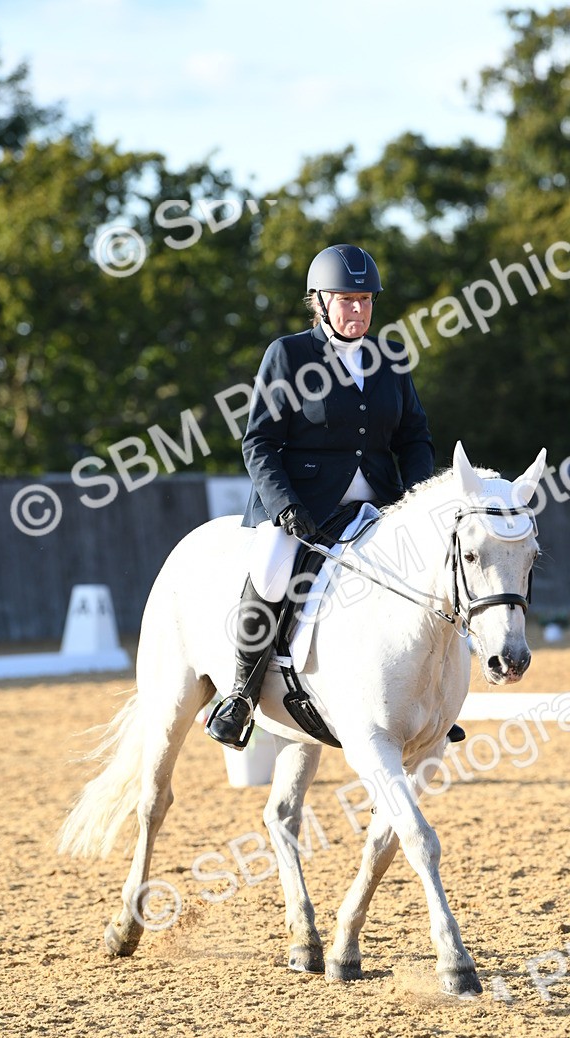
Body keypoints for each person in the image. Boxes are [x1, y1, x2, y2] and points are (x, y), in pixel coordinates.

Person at [207, 243, 437, 749]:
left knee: (438, 573)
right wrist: (285, 505)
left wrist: (417, 497)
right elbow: (259, 441)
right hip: (303, 506)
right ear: (320, 301)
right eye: (346, 300)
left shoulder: (390, 358)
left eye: (365, 300)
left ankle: (435, 698)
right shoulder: (288, 355)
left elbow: (414, 437)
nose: (358, 310)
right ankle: (242, 694)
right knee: (270, 569)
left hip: (379, 506)